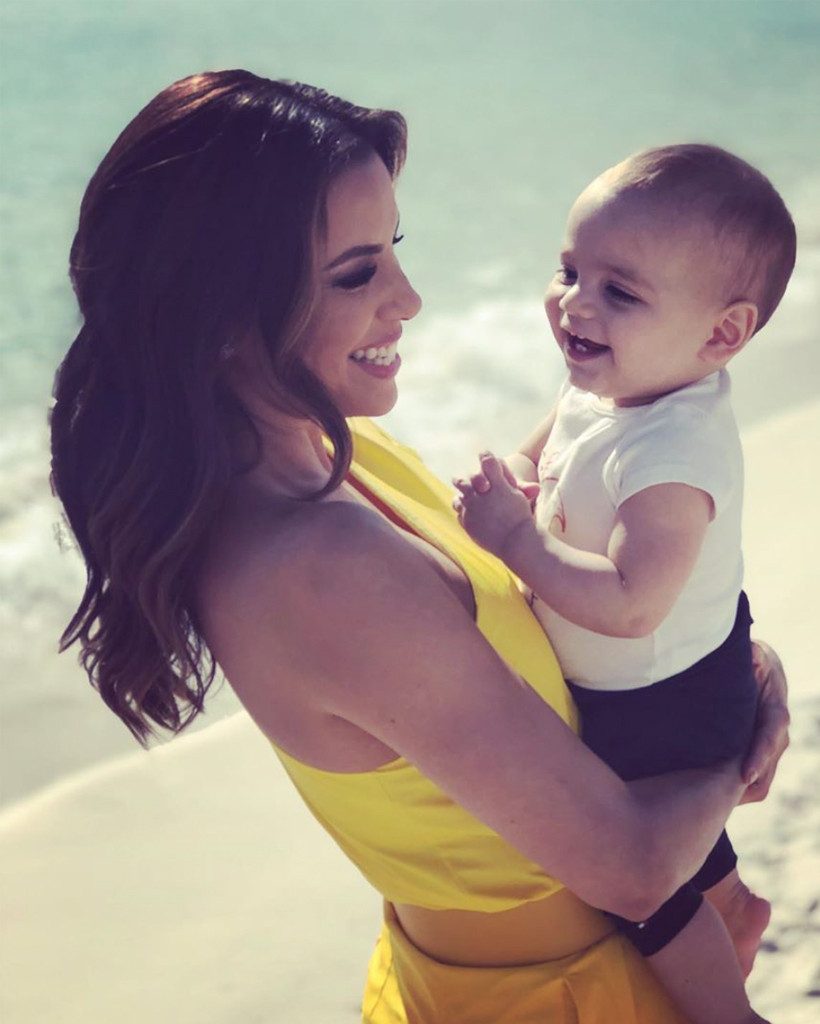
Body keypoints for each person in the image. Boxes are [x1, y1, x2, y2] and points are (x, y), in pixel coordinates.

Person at [50, 73, 790, 1024]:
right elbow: (639, 863)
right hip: (564, 994)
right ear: (222, 311)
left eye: (392, 251)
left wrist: (726, 660)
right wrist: (742, 734)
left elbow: (530, 634)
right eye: (356, 274)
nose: (410, 299)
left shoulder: (335, 453)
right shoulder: (316, 568)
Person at [453, 144, 795, 1024]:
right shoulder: (612, 384)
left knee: (634, 884)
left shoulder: (674, 456)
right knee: (674, 851)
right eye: (570, 271)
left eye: (619, 292)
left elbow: (632, 601)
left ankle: (728, 1011)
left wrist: (519, 545)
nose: (574, 304)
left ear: (721, 333)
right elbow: (547, 453)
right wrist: (519, 484)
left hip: (664, 694)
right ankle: (735, 903)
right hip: (650, 666)